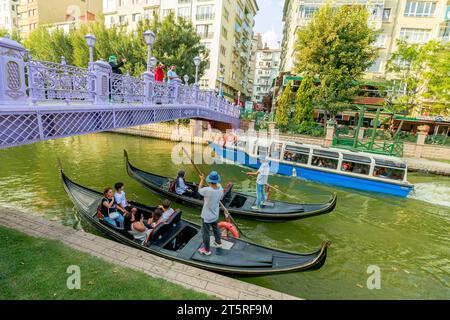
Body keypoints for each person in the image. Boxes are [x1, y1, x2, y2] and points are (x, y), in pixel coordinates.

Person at [197, 171, 230, 256]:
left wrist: (201, 180)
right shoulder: (221, 189)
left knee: (205, 233)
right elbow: (218, 187)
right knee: (216, 229)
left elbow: (199, 190)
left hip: (206, 216)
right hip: (215, 214)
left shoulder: (207, 190)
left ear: (210, 180)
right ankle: (218, 243)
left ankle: (207, 250)